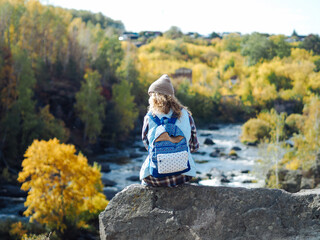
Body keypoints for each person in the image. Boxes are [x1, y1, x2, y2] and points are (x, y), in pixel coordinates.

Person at [139, 74, 199, 187]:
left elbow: (147, 145)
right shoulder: (186, 114)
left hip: (157, 177)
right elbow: (194, 146)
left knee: (144, 179)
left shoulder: (149, 117)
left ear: (153, 98)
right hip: (183, 174)